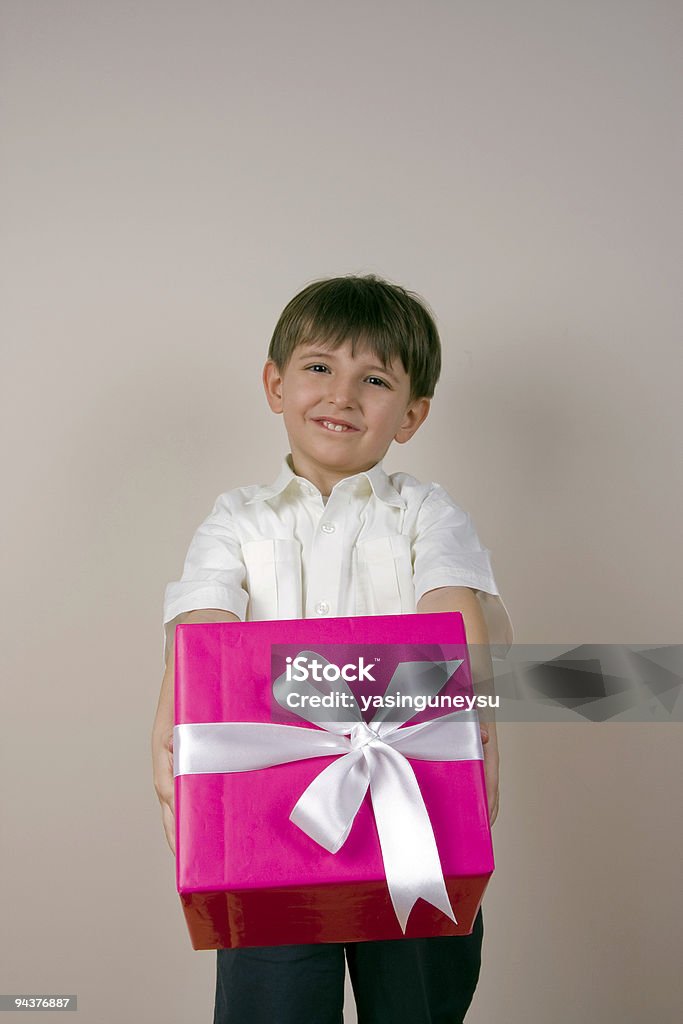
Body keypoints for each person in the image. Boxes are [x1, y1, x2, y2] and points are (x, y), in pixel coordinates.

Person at [152, 273, 514, 1024]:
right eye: (320, 367)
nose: (341, 394)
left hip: (411, 817)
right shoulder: (236, 520)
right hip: (270, 826)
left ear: (410, 415)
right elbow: (203, 632)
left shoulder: (425, 513)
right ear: (275, 383)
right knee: (270, 1006)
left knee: (418, 1002)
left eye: (373, 379)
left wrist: (473, 729)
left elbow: (453, 616)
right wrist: (179, 732)